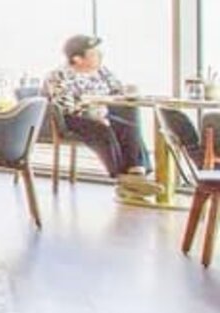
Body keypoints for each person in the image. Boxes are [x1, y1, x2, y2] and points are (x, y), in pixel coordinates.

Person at [42, 33, 157, 196]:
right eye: (94, 53)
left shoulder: (102, 72)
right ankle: (121, 177)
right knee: (101, 129)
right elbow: (64, 107)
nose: (100, 56)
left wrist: (129, 93)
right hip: (71, 118)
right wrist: (94, 114)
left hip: (100, 113)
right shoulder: (59, 75)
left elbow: (118, 91)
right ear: (77, 59)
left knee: (128, 122)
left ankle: (136, 171)